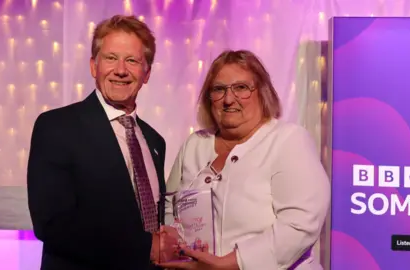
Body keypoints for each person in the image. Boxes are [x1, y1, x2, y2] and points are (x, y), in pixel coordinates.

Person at [27, 15, 178, 270]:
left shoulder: (154, 142)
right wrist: (146, 247)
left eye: (132, 60)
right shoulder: (57, 127)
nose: (121, 70)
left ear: (147, 73)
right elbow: (52, 223)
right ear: (93, 66)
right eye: (111, 58)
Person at [159, 50, 330, 270]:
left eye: (241, 88)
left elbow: (300, 224)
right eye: (219, 90)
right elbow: (170, 208)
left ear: (263, 92)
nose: (229, 100)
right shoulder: (195, 144)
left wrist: (233, 264)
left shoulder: (288, 140)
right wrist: (174, 244)